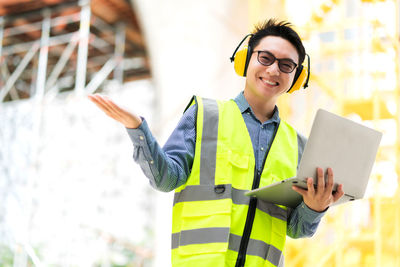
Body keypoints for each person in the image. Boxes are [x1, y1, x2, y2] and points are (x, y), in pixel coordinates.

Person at [88, 19, 344, 267]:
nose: (274, 70)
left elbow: (295, 228)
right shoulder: (204, 115)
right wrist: (137, 128)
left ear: (296, 77)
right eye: (265, 58)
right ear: (246, 59)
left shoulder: (298, 145)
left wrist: (315, 207)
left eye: (287, 65)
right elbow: (165, 179)